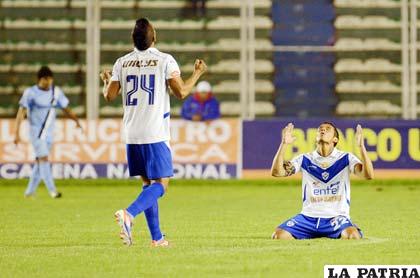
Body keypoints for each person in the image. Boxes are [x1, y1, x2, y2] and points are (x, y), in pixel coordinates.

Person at [100, 18, 207, 247]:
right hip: (154, 132)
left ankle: (157, 238)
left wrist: (106, 82)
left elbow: (109, 96)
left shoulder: (122, 62)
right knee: (162, 184)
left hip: (131, 133)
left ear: (133, 40)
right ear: (154, 38)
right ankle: (129, 214)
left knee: (149, 183)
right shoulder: (164, 60)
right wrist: (197, 73)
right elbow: (181, 92)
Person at [270, 122, 374, 240]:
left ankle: (350, 225)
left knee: (352, 236)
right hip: (308, 218)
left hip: (335, 217)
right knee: (278, 236)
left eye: (328, 129)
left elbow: (368, 175)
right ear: (316, 137)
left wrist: (361, 147)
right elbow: (277, 172)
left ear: (335, 139)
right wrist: (283, 144)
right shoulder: (304, 159)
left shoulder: (346, 158)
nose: (323, 130)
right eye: (320, 129)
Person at [14, 66, 82, 199]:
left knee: (40, 163)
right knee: (44, 158)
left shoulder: (56, 92)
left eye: (51, 79)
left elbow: (65, 108)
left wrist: (76, 121)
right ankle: (53, 191)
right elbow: (21, 112)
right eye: (46, 79)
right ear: (40, 79)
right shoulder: (30, 93)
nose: (49, 82)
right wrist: (16, 133)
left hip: (49, 133)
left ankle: (29, 192)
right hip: (36, 133)